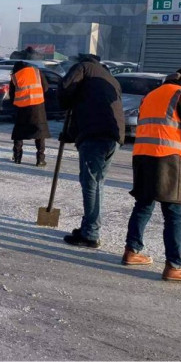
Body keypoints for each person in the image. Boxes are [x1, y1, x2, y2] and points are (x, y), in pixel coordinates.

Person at [122, 69, 181, 282]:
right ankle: (175, 265)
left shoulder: (152, 94)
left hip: (142, 156)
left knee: (143, 205)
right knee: (175, 213)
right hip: (168, 158)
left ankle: (132, 251)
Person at [57, 53, 125, 248]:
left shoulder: (83, 68)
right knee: (97, 183)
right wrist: (70, 134)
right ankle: (89, 226)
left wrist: (64, 102)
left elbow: (65, 88)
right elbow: (90, 106)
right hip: (114, 135)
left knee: (90, 184)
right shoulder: (108, 75)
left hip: (96, 135)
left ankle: (91, 233)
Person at [8, 61, 50, 166]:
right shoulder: (37, 72)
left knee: (19, 133)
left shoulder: (15, 77)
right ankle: (40, 159)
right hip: (37, 107)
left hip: (22, 108)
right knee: (39, 133)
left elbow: (11, 95)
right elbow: (45, 87)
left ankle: (17, 157)